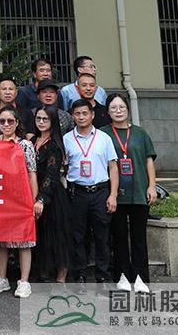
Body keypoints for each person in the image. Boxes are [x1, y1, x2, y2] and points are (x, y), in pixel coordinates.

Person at [101, 93, 157, 294]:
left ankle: (141, 277)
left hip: (139, 190)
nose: (118, 111)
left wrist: (152, 186)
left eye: (122, 107)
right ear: (108, 111)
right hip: (114, 193)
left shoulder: (140, 133)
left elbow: (149, 161)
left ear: (127, 109)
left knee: (139, 237)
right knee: (119, 236)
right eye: (113, 108)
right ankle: (122, 275)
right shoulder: (103, 133)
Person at [65, 99, 119, 293]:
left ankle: (102, 276)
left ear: (92, 115)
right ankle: (79, 276)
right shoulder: (67, 139)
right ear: (73, 116)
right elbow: (63, 167)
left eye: (85, 113)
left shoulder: (104, 138)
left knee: (102, 236)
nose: (81, 117)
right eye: (77, 114)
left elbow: (113, 167)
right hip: (77, 193)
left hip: (100, 192)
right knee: (77, 236)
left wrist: (113, 195)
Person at [0, 108, 37, 299]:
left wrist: (34, 200)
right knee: (1, 240)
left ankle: (24, 281)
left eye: (10, 121)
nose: (6, 125)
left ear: (17, 123)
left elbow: (32, 173)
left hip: (21, 197)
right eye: (2, 121)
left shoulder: (25, 145)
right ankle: (2, 278)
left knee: (24, 240)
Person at [32, 105, 73, 287]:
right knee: (42, 236)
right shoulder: (32, 141)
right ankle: (43, 274)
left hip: (53, 197)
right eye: (38, 118)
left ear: (53, 121)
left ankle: (61, 278)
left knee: (58, 237)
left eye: (45, 119)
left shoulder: (55, 145)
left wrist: (41, 198)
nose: (41, 122)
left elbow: (51, 174)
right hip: (34, 194)